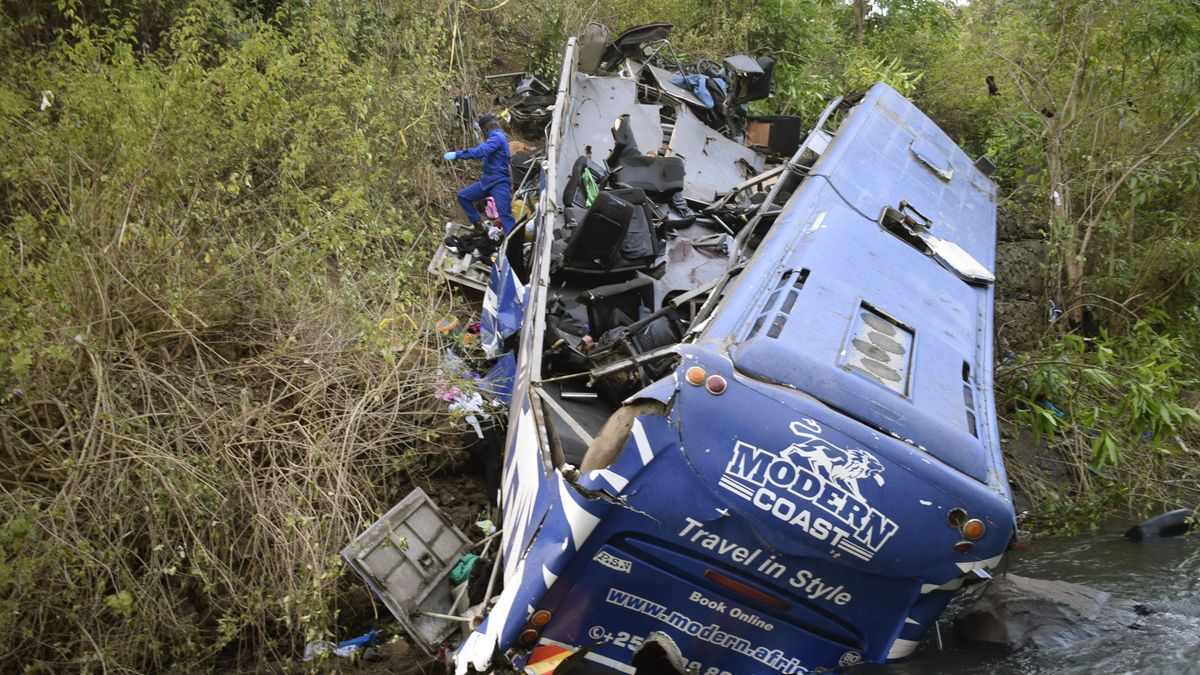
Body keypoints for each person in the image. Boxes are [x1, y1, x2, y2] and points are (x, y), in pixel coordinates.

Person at [443, 114, 517, 235]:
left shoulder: (497, 137)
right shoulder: (495, 137)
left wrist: (458, 154)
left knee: (505, 216)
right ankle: (479, 226)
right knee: (463, 196)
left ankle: (513, 247)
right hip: (487, 182)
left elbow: (480, 152)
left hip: (500, 183)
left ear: (485, 128)